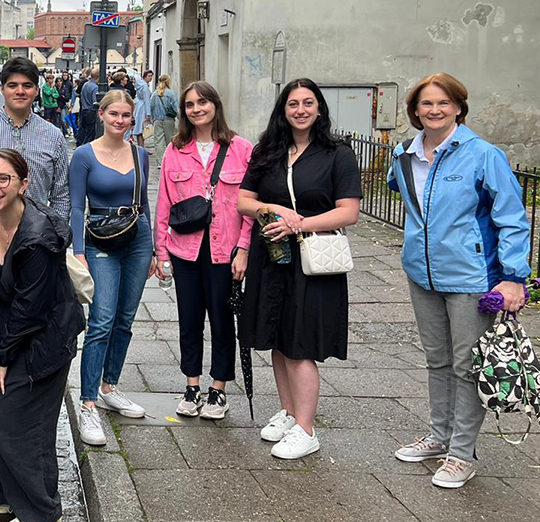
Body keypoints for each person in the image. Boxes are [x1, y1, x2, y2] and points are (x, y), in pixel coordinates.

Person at [387, 73, 531, 488]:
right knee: (438, 360)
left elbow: (512, 219)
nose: (434, 110)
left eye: (443, 103)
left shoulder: (484, 154)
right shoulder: (404, 155)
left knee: (467, 366)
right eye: (427, 104)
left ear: (458, 108)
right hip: (421, 273)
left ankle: (462, 453)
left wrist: (513, 278)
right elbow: (411, 199)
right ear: (415, 110)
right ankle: (440, 435)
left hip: (471, 277)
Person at [236, 78, 361, 460]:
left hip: (312, 260)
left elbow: (349, 211)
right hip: (272, 257)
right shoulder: (269, 150)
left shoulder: (337, 153)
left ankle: (307, 429)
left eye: (308, 103)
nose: (301, 110)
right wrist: (270, 212)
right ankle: (289, 413)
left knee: (300, 342)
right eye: (293, 104)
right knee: (277, 336)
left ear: (319, 108)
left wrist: (299, 223)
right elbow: (243, 200)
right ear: (283, 110)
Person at [0, 150, 85, 522]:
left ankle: (40, 510)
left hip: (43, 337)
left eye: (3, 179)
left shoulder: (37, 236)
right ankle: (1, 495)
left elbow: (31, 308)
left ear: (23, 184)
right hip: (0, 327)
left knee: (14, 422)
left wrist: (4, 357)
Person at [154, 82, 253, 420]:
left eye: (202, 102)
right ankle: (192, 385)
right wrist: (161, 252)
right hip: (186, 251)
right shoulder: (176, 149)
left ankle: (219, 389)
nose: (196, 109)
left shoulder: (241, 149)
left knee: (224, 322)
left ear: (215, 105)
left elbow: (249, 207)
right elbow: (164, 203)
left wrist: (244, 250)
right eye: (190, 105)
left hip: (225, 252)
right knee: (189, 320)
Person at [69, 89, 156, 447]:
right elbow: (76, 207)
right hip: (100, 239)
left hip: (138, 238)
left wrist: (153, 251)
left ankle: (110, 387)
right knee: (101, 320)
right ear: (101, 114)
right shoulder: (84, 155)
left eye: (126, 116)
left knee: (125, 319)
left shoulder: (140, 154)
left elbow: (144, 201)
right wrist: (78, 250)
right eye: (114, 114)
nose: (120, 121)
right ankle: (88, 401)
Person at [0, 57, 70, 220]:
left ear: (36, 90)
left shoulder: (53, 136)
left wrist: (55, 234)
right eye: (12, 85)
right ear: (2, 89)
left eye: (27, 85)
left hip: (38, 234)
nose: (20, 91)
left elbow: (61, 194)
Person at [150, 75, 179, 161]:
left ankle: (160, 162)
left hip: (157, 119)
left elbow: (151, 107)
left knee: (158, 141)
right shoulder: (172, 93)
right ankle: (170, 160)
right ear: (168, 81)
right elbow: (176, 107)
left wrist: (153, 118)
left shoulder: (154, 94)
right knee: (170, 141)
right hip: (168, 119)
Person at [77, 65, 101, 146]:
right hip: (91, 112)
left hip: (84, 111)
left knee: (84, 133)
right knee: (90, 135)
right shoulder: (95, 87)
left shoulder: (86, 84)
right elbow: (95, 102)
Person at [131, 71, 152, 147]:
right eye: (149, 76)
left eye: (151, 76)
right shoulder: (145, 86)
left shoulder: (140, 84)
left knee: (140, 127)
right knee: (142, 128)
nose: (151, 78)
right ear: (145, 76)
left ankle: (141, 146)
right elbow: (147, 100)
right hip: (143, 108)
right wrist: (148, 113)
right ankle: (141, 146)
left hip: (139, 106)